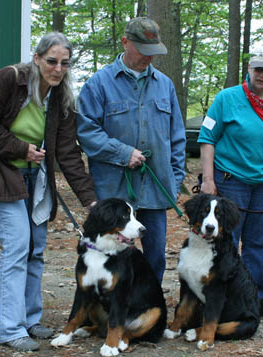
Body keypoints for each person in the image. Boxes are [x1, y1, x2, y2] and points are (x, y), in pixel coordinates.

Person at [0, 32, 96, 352]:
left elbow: (67, 153)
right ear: (36, 58)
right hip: (1, 174)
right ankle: (9, 329)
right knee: (17, 246)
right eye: (51, 61)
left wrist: (89, 199)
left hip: (36, 181)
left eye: (65, 63)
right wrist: (19, 148)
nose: (57, 69)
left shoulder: (62, 97)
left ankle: (29, 318)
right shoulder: (10, 80)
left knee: (36, 247)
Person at [76, 17, 186, 283]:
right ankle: (113, 312)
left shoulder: (165, 85)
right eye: (143, 51)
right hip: (114, 192)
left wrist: (175, 178)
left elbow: (177, 137)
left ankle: (149, 310)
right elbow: (86, 133)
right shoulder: (98, 84)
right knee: (112, 258)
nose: (149, 58)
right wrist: (123, 153)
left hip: (156, 189)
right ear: (125, 42)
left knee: (155, 257)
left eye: (153, 52)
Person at [197, 47, 263, 309]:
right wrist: (208, 179)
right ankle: (220, 297)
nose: (262, 74)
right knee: (225, 240)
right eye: (258, 68)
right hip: (231, 180)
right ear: (249, 69)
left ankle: (252, 297)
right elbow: (207, 139)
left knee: (258, 244)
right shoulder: (226, 98)